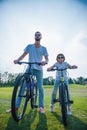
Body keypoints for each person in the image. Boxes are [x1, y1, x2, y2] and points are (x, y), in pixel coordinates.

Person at [6, 31, 49, 114]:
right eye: (36, 35)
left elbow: (47, 59)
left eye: (39, 35)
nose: (37, 36)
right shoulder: (29, 46)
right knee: (22, 87)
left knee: (40, 88)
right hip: (29, 68)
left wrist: (45, 61)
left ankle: (41, 107)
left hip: (39, 69)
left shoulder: (44, 48)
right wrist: (18, 60)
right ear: (34, 37)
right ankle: (16, 107)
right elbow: (23, 55)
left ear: (41, 37)